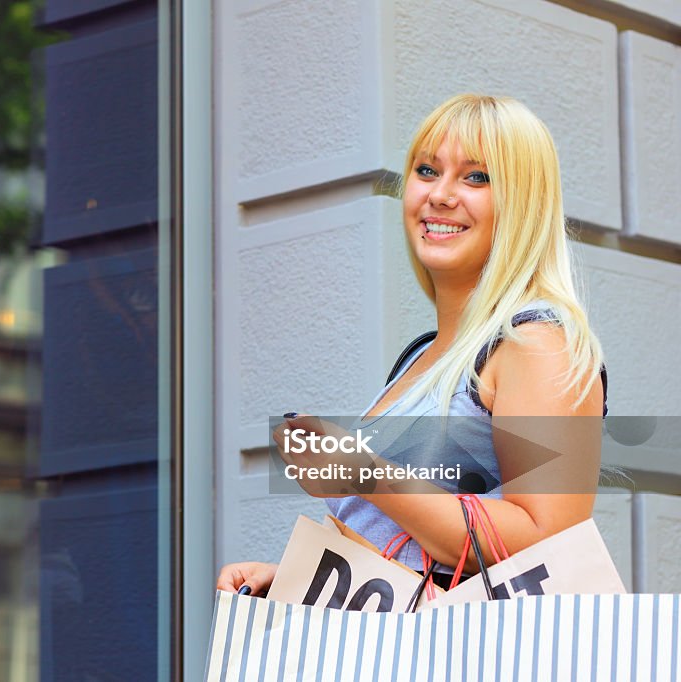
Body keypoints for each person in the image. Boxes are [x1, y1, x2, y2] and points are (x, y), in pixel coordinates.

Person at [217, 94, 607, 596]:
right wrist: (297, 580)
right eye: (427, 170)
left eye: (476, 177)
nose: (440, 195)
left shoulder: (535, 344)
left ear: (525, 204)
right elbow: (400, 547)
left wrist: (363, 473)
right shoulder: (423, 355)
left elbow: (549, 541)